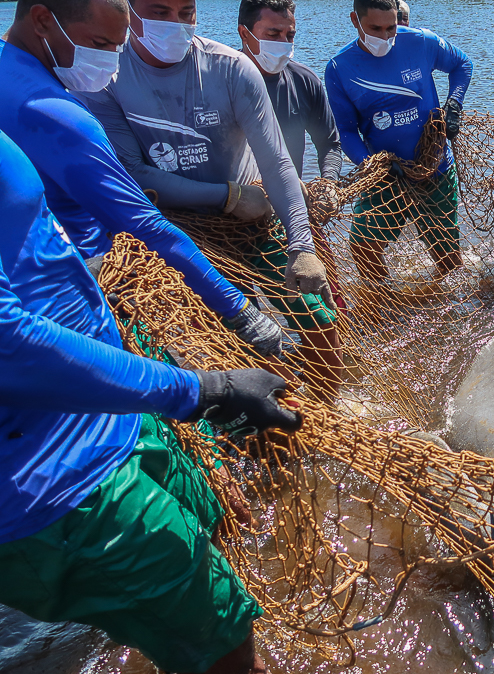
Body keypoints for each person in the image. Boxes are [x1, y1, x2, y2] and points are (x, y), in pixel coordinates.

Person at [0, 128, 300, 673]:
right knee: (228, 655)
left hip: (117, 414)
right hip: (58, 485)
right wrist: (203, 389)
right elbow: (6, 344)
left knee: (222, 529)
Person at [79, 0, 342, 395]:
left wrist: (302, 244)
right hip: (181, 232)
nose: (176, 23)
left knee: (320, 319)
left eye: (187, 12)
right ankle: (267, 427)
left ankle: (327, 410)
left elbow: (277, 161)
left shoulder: (230, 68)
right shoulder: (105, 77)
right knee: (226, 345)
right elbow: (135, 174)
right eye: (159, 12)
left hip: (258, 221)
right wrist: (226, 196)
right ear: (126, 11)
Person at [0, 0, 285, 360]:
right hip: (76, 303)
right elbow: (143, 223)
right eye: (100, 45)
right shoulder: (56, 114)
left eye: (118, 47)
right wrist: (237, 310)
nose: (110, 63)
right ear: (43, 20)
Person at [325, 0, 472, 283]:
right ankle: (387, 301)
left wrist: (453, 106)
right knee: (363, 246)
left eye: (390, 27)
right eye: (375, 29)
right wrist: (369, 164)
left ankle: (447, 307)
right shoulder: (339, 68)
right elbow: (347, 132)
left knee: (448, 259)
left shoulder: (420, 41)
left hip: (435, 167)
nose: (385, 36)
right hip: (386, 172)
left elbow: (463, 65)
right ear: (355, 20)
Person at [237, 0, 342, 182]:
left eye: (290, 36)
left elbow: (330, 144)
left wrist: (329, 183)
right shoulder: (220, 80)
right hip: (239, 203)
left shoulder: (305, 81)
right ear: (244, 33)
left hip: (290, 205)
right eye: (273, 35)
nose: (284, 43)